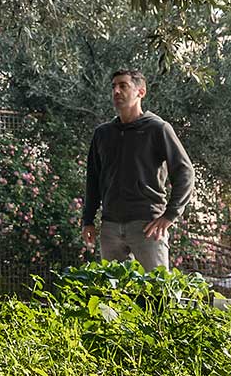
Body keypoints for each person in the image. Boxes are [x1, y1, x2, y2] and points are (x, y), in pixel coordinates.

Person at [80, 69, 193, 269]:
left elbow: (185, 172)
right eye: (113, 87)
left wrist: (170, 215)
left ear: (141, 92)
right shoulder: (102, 134)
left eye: (123, 86)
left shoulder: (158, 129)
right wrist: (87, 220)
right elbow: (93, 180)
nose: (116, 91)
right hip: (110, 226)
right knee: (113, 287)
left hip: (147, 225)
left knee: (156, 287)